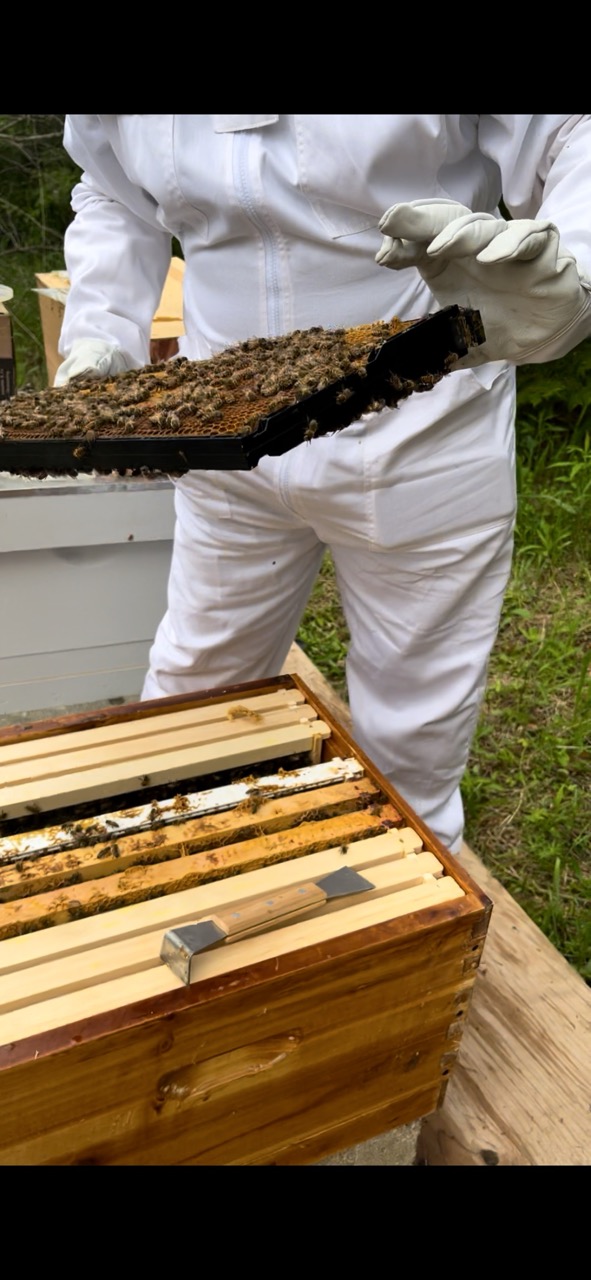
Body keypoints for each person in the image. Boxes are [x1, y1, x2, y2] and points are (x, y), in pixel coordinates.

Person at [54, 115, 591, 853]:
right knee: (192, 696)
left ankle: (402, 917)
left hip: (419, 426)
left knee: (409, 749)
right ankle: (162, 873)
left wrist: (576, 263)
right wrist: (101, 324)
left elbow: (569, 131)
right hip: (222, 425)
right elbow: (113, 190)